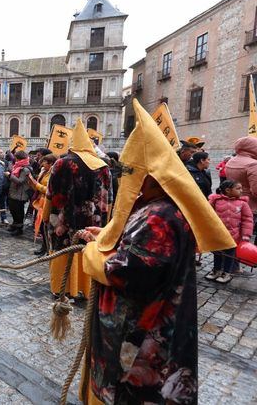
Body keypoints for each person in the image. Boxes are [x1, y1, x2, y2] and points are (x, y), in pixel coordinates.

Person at [78, 100, 235, 404]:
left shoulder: (159, 216)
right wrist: (112, 236)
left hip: (142, 342)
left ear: (148, 175)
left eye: (130, 171)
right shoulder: (156, 208)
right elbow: (138, 246)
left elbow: (126, 271)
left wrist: (92, 251)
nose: (125, 178)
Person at [43, 119, 111, 299]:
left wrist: (45, 216)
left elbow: (50, 194)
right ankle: (86, 288)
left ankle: (62, 287)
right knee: (87, 249)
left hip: (63, 220)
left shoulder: (61, 164)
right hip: (92, 222)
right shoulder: (103, 167)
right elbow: (106, 201)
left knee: (62, 249)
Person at [206, 180, 253, 283]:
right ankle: (216, 270)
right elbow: (208, 213)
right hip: (218, 234)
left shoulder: (242, 204)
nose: (241, 191)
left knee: (230, 255)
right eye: (238, 188)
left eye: (241, 188)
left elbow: (247, 220)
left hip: (233, 236)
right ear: (228, 190)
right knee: (217, 253)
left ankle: (227, 273)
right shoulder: (216, 201)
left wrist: (246, 235)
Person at [29, 153, 57, 255]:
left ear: (51, 163)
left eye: (44, 162)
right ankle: (43, 247)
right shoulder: (43, 172)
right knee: (41, 226)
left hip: (47, 202)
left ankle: (48, 249)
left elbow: (49, 190)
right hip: (40, 201)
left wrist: (36, 184)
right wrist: (32, 183)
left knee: (45, 226)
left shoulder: (53, 174)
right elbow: (38, 187)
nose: (42, 164)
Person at [5, 150, 32, 236]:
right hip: (13, 192)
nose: (15, 160)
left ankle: (19, 228)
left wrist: (9, 175)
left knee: (18, 211)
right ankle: (14, 225)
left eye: (16, 158)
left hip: (20, 194)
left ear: (19, 158)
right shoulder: (17, 166)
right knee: (13, 210)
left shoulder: (25, 169)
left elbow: (20, 181)